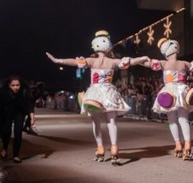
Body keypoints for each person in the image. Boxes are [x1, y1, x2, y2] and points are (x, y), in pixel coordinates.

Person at [46, 30, 149, 165]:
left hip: (95, 93)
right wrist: (142, 58)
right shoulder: (113, 61)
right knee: (111, 122)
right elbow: (130, 61)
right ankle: (114, 149)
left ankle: (100, 149)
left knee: (96, 122)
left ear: (95, 46)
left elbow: (74, 62)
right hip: (109, 92)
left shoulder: (91, 61)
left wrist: (58, 60)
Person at [143, 39, 193, 160]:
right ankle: (188, 144)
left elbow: (148, 64)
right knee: (183, 120)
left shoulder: (163, 63)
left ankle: (178, 144)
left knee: (172, 121)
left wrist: (137, 61)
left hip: (169, 92)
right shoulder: (184, 63)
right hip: (182, 91)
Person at [0, 75, 35, 163]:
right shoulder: (3, 92)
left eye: (17, 85)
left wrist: (32, 116)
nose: (15, 87)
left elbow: (29, 103)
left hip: (19, 113)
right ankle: (4, 149)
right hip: (7, 113)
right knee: (6, 132)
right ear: (9, 85)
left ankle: (16, 155)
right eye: (13, 85)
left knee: (18, 133)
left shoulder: (24, 91)